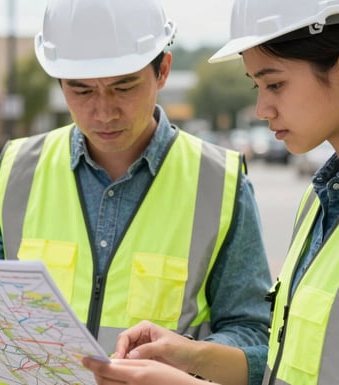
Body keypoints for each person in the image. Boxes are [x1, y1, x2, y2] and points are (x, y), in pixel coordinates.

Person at [0, 0, 272, 384]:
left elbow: (255, 335)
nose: (103, 112)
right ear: (60, 83)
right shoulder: (12, 173)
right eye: (81, 91)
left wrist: (185, 361)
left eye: (123, 87)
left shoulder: (219, 183)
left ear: (163, 71)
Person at [82, 0, 339, 384]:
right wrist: (190, 355)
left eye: (275, 84)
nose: (262, 108)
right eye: (257, 86)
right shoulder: (319, 202)